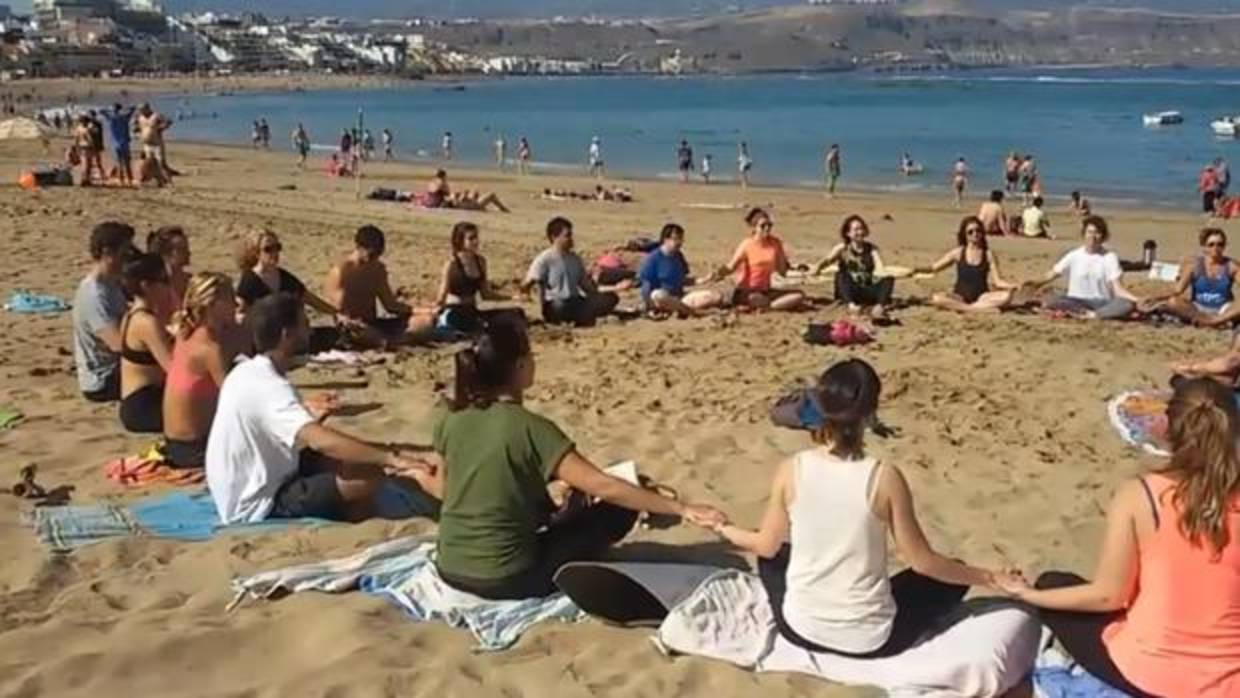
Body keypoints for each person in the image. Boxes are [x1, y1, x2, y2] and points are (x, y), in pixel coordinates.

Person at [714, 359, 1006, 657]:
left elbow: (765, 545)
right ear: (870, 413)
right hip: (870, 640)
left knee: (775, 555)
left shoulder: (792, 468)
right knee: (947, 575)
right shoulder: (884, 477)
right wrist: (991, 578)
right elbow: (923, 562)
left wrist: (722, 527)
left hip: (799, 630)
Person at [430, 319, 725, 600]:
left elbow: (448, 489)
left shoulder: (451, 419)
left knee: (571, 502)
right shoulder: (530, 428)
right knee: (618, 508)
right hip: (508, 577)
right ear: (520, 366)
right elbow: (604, 486)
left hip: (450, 568)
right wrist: (682, 508)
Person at [998, 377, 1240, 697]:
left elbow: (1108, 596)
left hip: (1147, 674)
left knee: (1052, 584)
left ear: (1169, 428)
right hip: (1228, 685)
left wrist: (1028, 595)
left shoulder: (1141, 495)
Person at [206, 293, 433, 524]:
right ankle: (353, 517)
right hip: (257, 502)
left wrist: (309, 414)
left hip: (253, 478)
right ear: (286, 335)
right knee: (367, 475)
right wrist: (391, 458)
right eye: (304, 324)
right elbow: (320, 441)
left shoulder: (248, 372)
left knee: (348, 458)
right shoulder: (269, 385)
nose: (310, 331)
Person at [162, 273, 237, 469]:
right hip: (194, 449)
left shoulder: (185, 333)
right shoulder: (209, 349)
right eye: (230, 298)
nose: (236, 304)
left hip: (175, 443)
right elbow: (234, 400)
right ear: (212, 305)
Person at [324, 225, 435, 347]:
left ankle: (394, 340)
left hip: (374, 323)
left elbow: (390, 305)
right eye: (372, 254)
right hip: (355, 327)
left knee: (426, 321)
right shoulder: (342, 272)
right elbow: (337, 312)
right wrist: (351, 322)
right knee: (362, 333)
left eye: (379, 254)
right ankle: (393, 341)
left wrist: (424, 311)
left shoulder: (378, 269)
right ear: (358, 247)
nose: (375, 258)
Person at [1028, 216, 1143, 320]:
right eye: (1090, 232)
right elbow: (1052, 274)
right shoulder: (1074, 255)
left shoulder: (1110, 257)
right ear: (1084, 234)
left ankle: (1094, 315)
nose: (1093, 236)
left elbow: (1118, 289)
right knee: (1051, 298)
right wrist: (1034, 284)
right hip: (1076, 301)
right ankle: (1086, 313)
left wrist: (1137, 299)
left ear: (1103, 236)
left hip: (1101, 303)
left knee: (1126, 304)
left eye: (1097, 233)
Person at [74, 222, 135, 403]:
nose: (128, 259)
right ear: (108, 253)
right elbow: (117, 343)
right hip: (102, 379)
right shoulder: (95, 295)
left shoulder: (112, 283)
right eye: (124, 253)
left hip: (115, 367)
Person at [522, 217, 620, 326]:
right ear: (554, 237)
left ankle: (581, 316)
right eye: (567, 236)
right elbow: (528, 283)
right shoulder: (544, 259)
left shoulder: (575, 259)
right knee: (560, 306)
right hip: (555, 303)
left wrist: (614, 288)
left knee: (610, 298)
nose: (571, 239)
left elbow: (588, 288)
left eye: (570, 235)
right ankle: (581, 316)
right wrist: (527, 293)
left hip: (575, 301)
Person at [236, 228, 345, 323]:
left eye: (277, 247)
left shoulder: (284, 277)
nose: (275, 253)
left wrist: (336, 313)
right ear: (256, 253)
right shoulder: (249, 280)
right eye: (268, 249)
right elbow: (239, 313)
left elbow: (310, 299)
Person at [914, 216, 1019, 314]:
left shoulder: (988, 254)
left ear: (982, 233)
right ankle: (976, 310)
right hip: (959, 297)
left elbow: (998, 281)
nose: (975, 234)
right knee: (937, 298)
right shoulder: (958, 252)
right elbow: (934, 268)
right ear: (964, 235)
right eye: (970, 232)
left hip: (982, 298)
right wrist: (915, 270)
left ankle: (967, 308)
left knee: (1006, 296)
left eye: (978, 230)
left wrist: (1012, 286)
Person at [117, 254, 174, 433]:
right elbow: (173, 368)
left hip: (138, 401)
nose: (168, 286)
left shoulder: (131, 315)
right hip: (143, 406)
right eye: (163, 280)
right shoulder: (146, 322)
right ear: (146, 285)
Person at [1140, 227, 1240, 328]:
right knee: (1173, 302)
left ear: (1224, 246)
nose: (1216, 248)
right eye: (1211, 244)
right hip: (1198, 308)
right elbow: (1177, 290)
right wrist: (1153, 297)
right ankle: (1208, 320)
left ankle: (1214, 322)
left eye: (1220, 244)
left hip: (1224, 309)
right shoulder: (1194, 265)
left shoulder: (1231, 266)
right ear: (1204, 247)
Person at [432, 221, 516, 335]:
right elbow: (442, 295)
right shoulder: (452, 264)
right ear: (460, 240)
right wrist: (435, 309)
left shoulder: (481, 262)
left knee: (514, 315)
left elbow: (486, 294)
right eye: (471, 238)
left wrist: (512, 298)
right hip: (454, 310)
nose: (476, 241)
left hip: (472, 309)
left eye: (476, 237)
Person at [722, 208, 806, 312]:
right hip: (748, 291)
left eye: (769, 225)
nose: (767, 228)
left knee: (799, 295)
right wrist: (719, 273)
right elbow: (731, 266)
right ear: (754, 228)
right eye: (763, 226)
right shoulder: (747, 244)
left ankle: (768, 307)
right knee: (754, 298)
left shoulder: (775, 243)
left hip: (765, 290)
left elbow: (782, 271)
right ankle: (770, 306)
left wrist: (787, 263)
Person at [816, 215, 894, 320]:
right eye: (856, 229)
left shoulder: (872, 249)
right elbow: (826, 261)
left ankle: (879, 307)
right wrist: (815, 270)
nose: (860, 232)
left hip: (865, 288)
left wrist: (884, 275)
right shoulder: (842, 248)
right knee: (841, 275)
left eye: (862, 228)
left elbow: (880, 269)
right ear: (848, 233)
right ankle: (851, 306)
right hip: (849, 291)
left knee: (888, 279)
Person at [638, 223, 723, 318]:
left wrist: (705, 279)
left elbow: (683, 280)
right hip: (661, 300)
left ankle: (681, 310)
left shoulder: (678, 256)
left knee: (716, 296)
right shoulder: (653, 258)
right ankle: (694, 312)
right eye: (676, 239)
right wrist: (649, 306)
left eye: (681, 239)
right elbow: (645, 286)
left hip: (680, 298)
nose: (679, 242)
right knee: (658, 295)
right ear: (665, 239)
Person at [146, 225, 192, 318]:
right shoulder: (154, 286)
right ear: (165, 254)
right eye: (182, 249)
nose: (188, 252)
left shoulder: (191, 281)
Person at [418, 169, 510, 212]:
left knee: (474, 192)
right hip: (472, 205)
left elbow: (449, 196)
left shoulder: (432, 183)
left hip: (462, 204)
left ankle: (497, 208)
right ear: (443, 176)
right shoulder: (442, 183)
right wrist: (461, 196)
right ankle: (503, 209)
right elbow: (449, 195)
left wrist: (462, 195)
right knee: (491, 194)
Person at [136, 103, 172, 183]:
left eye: (142, 109)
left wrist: (161, 128)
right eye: (140, 110)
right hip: (146, 144)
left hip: (157, 144)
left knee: (161, 162)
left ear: (147, 108)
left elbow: (168, 121)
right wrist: (137, 133)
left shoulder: (156, 115)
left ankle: (169, 180)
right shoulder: (140, 118)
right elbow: (136, 127)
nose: (141, 111)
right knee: (150, 163)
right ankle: (159, 180)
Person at [101, 103, 135, 187]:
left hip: (115, 144)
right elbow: (131, 112)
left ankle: (121, 181)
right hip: (124, 144)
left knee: (119, 163)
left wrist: (108, 110)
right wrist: (130, 109)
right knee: (127, 163)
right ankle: (129, 180)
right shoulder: (124, 117)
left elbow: (102, 112)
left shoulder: (111, 118)